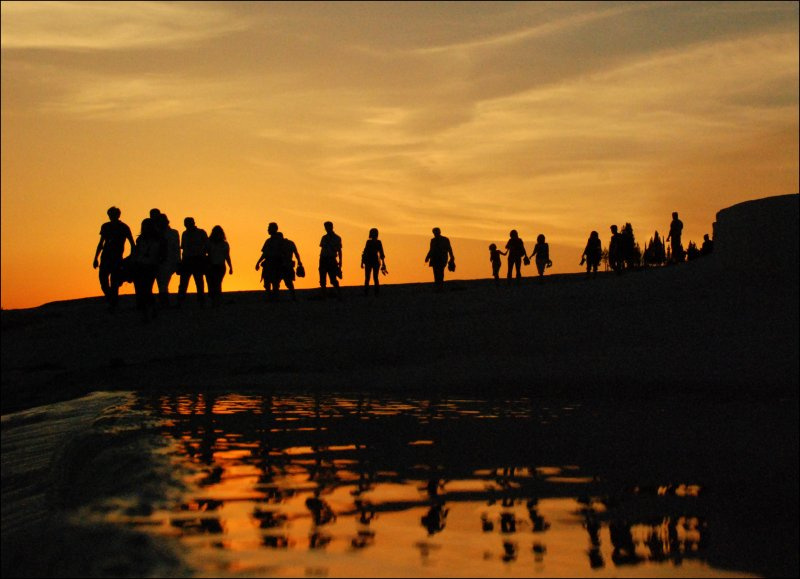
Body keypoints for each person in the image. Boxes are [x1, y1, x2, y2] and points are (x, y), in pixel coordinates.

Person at [93, 206, 135, 311]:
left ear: (117, 215)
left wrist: (130, 258)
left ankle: (113, 303)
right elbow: (101, 243)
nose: (111, 216)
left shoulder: (124, 227)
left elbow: (132, 243)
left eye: (113, 214)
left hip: (117, 258)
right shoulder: (105, 226)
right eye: (110, 214)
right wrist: (95, 258)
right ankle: (112, 299)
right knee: (103, 281)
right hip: (105, 257)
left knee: (114, 281)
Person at [132, 217, 164, 322]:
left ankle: (151, 308)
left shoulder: (159, 239)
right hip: (140, 265)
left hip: (151, 266)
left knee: (146, 289)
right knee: (142, 290)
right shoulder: (140, 239)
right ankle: (147, 311)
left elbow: (163, 254)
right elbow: (136, 252)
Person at [178, 217, 209, 306]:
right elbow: (183, 248)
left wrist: (203, 255)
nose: (187, 225)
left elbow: (207, 245)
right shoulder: (185, 234)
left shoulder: (201, 232)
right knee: (184, 282)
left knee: (199, 281)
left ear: (193, 223)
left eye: (189, 223)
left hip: (198, 259)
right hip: (187, 260)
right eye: (186, 223)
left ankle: (201, 301)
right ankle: (181, 301)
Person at [156, 213, 180, 307]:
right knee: (162, 283)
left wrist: (178, 261)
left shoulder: (173, 233)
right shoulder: (157, 233)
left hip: (168, 261)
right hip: (158, 261)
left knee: (163, 283)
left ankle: (164, 301)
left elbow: (176, 248)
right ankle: (164, 301)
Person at [205, 225, 233, 308]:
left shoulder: (225, 244)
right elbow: (205, 252)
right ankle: (213, 300)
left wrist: (231, 267)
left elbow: (227, 256)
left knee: (217, 284)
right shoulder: (209, 242)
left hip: (220, 266)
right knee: (210, 284)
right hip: (210, 266)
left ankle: (217, 302)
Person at [424, 227, 455, 292]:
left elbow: (449, 248)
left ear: (439, 232)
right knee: (436, 272)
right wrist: (427, 257)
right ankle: (438, 286)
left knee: (440, 272)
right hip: (435, 258)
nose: (435, 234)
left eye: (436, 232)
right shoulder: (433, 240)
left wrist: (452, 257)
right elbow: (431, 249)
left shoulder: (445, 239)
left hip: (442, 258)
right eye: (434, 232)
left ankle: (440, 286)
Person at [319, 221, 342, 299]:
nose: (326, 229)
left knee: (333, 279)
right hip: (323, 259)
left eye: (327, 227)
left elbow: (339, 250)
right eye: (325, 227)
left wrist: (340, 262)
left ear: (331, 227)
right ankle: (324, 295)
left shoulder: (337, 238)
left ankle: (339, 293)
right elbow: (322, 248)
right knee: (322, 279)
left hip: (331, 259)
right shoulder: (324, 237)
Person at [361, 228, 387, 296]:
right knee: (370, 277)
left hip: (373, 261)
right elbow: (366, 252)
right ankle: (371, 292)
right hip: (371, 261)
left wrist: (383, 263)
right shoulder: (370, 242)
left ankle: (372, 292)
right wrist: (362, 261)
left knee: (372, 277)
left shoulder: (376, 242)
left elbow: (381, 253)